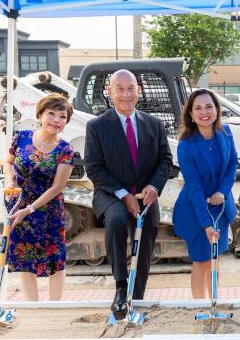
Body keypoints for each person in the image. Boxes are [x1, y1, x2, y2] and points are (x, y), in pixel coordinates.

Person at [84, 69, 173, 317]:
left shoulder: (154, 124)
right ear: (109, 92)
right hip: (111, 194)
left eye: (131, 88)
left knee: (146, 239)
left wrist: (154, 186)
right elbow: (94, 168)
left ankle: (138, 297)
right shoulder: (97, 126)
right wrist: (124, 195)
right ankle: (121, 287)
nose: (126, 94)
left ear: (139, 91)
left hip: (146, 196)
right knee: (117, 220)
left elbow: (166, 159)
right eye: (119, 88)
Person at [4, 93, 75, 301]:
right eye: (51, 114)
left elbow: (56, 187)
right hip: (19, 206)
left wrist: (30, 209)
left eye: (62, 116)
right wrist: (10, 181)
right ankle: (32, 306)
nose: (56, 120)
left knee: (55, 259)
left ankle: (54, 307)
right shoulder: (21, 138)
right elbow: (8, 162)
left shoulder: (65, 150)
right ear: (40, 115)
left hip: (48, 211)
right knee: (25, 257)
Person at [173, 89, 238, 299]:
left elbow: (232, 165)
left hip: (219, 206)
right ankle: (199, 307)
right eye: (198, 108)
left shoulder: (226, 133)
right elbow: (194, 186)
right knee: (201, 260)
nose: (204, 112)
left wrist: (222, 191)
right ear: (190, 114)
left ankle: (215, 303)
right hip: (196, 209)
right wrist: (206, 225)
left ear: (217, 110)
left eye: (209, 106)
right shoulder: (186, 146)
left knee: (215, 259)